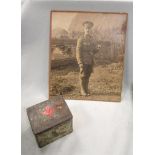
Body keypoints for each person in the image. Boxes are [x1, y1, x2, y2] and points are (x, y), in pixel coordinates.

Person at [76, 21, 101, 96]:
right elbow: (78, 52)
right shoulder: (81, 39)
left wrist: (98, 48)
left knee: (88, 75)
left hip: (90, 61)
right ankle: (83, 90)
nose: (88, 30)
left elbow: (93, 51)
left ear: (91, 29)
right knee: (83, 76)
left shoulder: (92, 39)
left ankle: (86, 90)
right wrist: (80, 62)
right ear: (84, 29)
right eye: (86, 28)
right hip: (84, 61)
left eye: (89, 28)